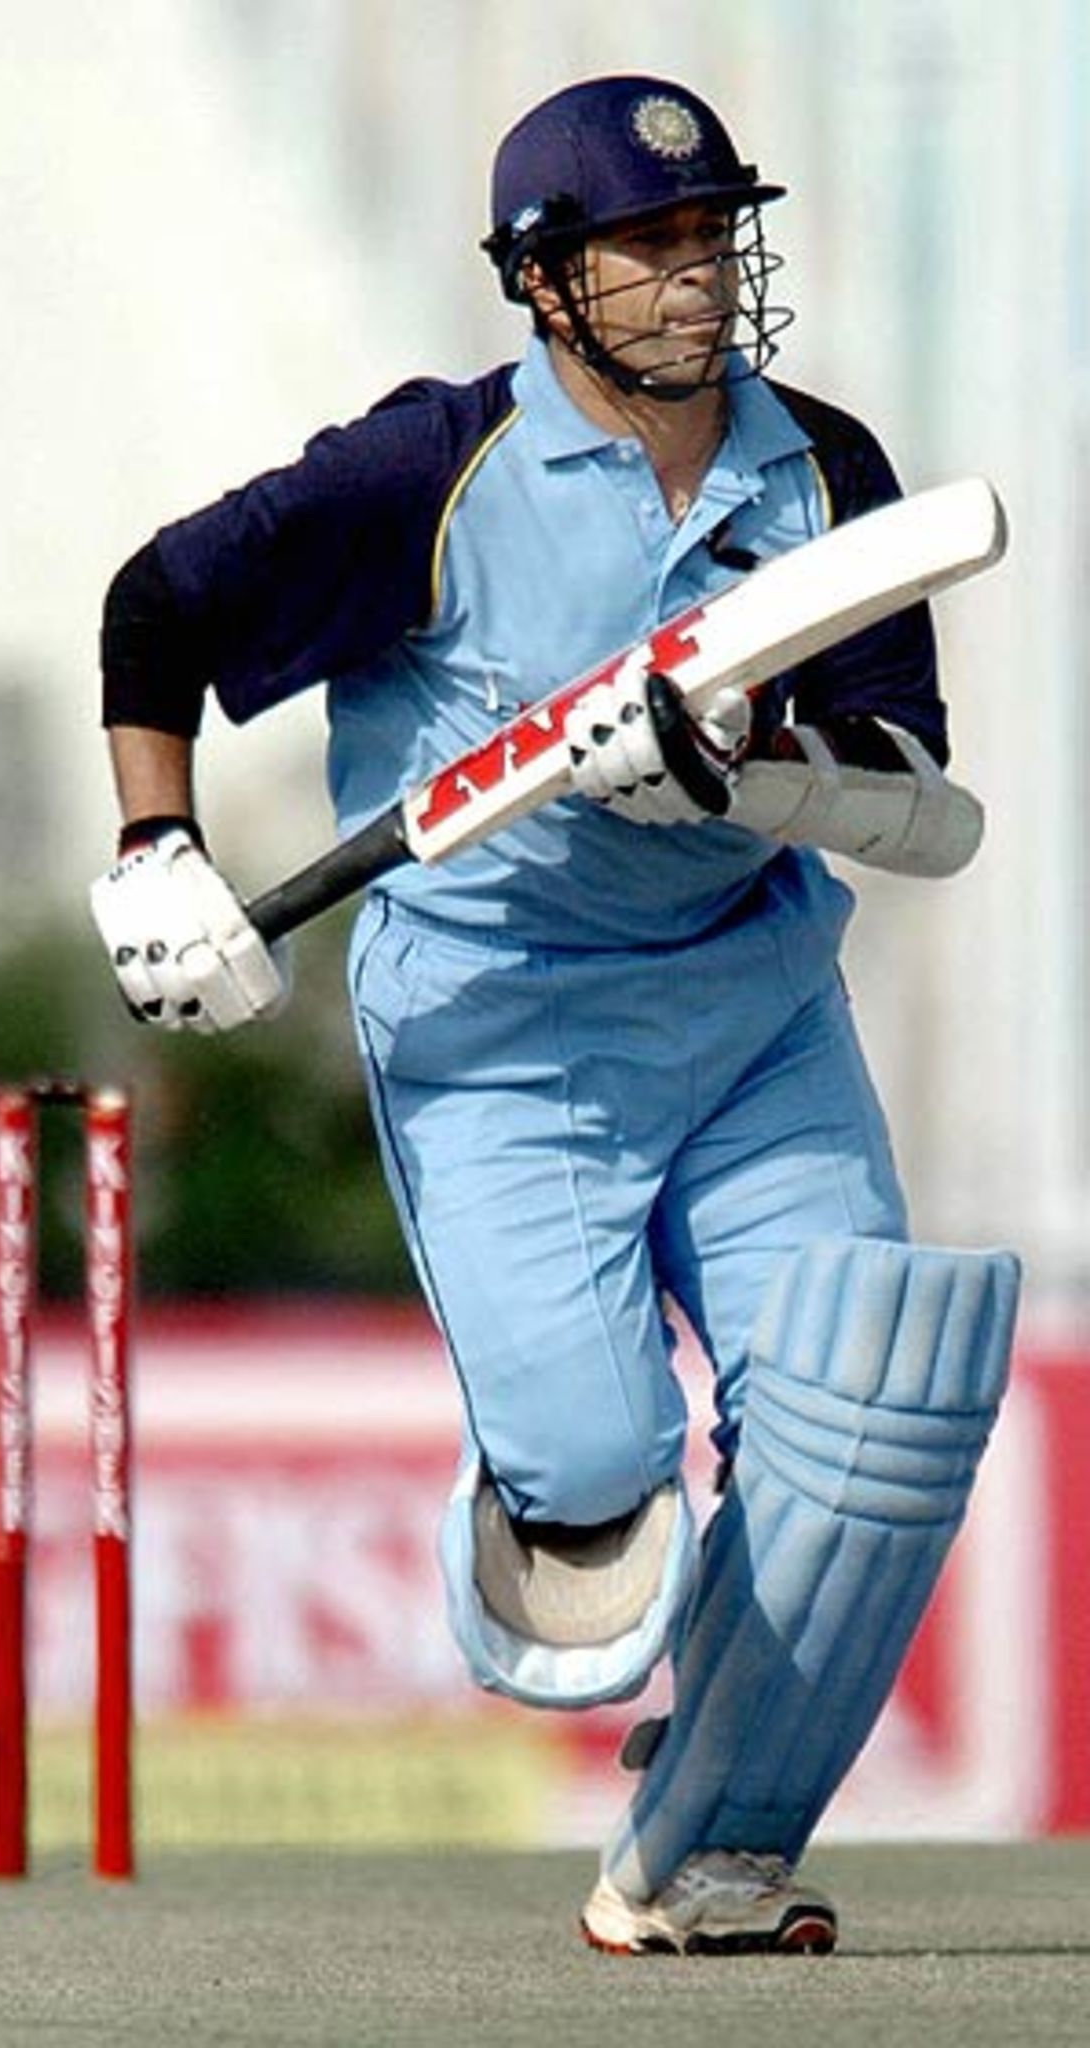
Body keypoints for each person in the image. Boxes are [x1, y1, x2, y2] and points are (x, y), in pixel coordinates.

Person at [90, 75, 1019, 1955]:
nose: (697, 281)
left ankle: (718, 1842)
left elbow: (929, 806)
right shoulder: (425, 476)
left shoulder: (823, 472)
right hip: (500, 1032)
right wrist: (156, 849)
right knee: (597, 1510)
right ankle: (554, 1476)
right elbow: (158, 603)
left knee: (871, 1403)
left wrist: (742, 782)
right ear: (541, 281)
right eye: (647, 249)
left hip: (754, 1006)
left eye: (711, 240)